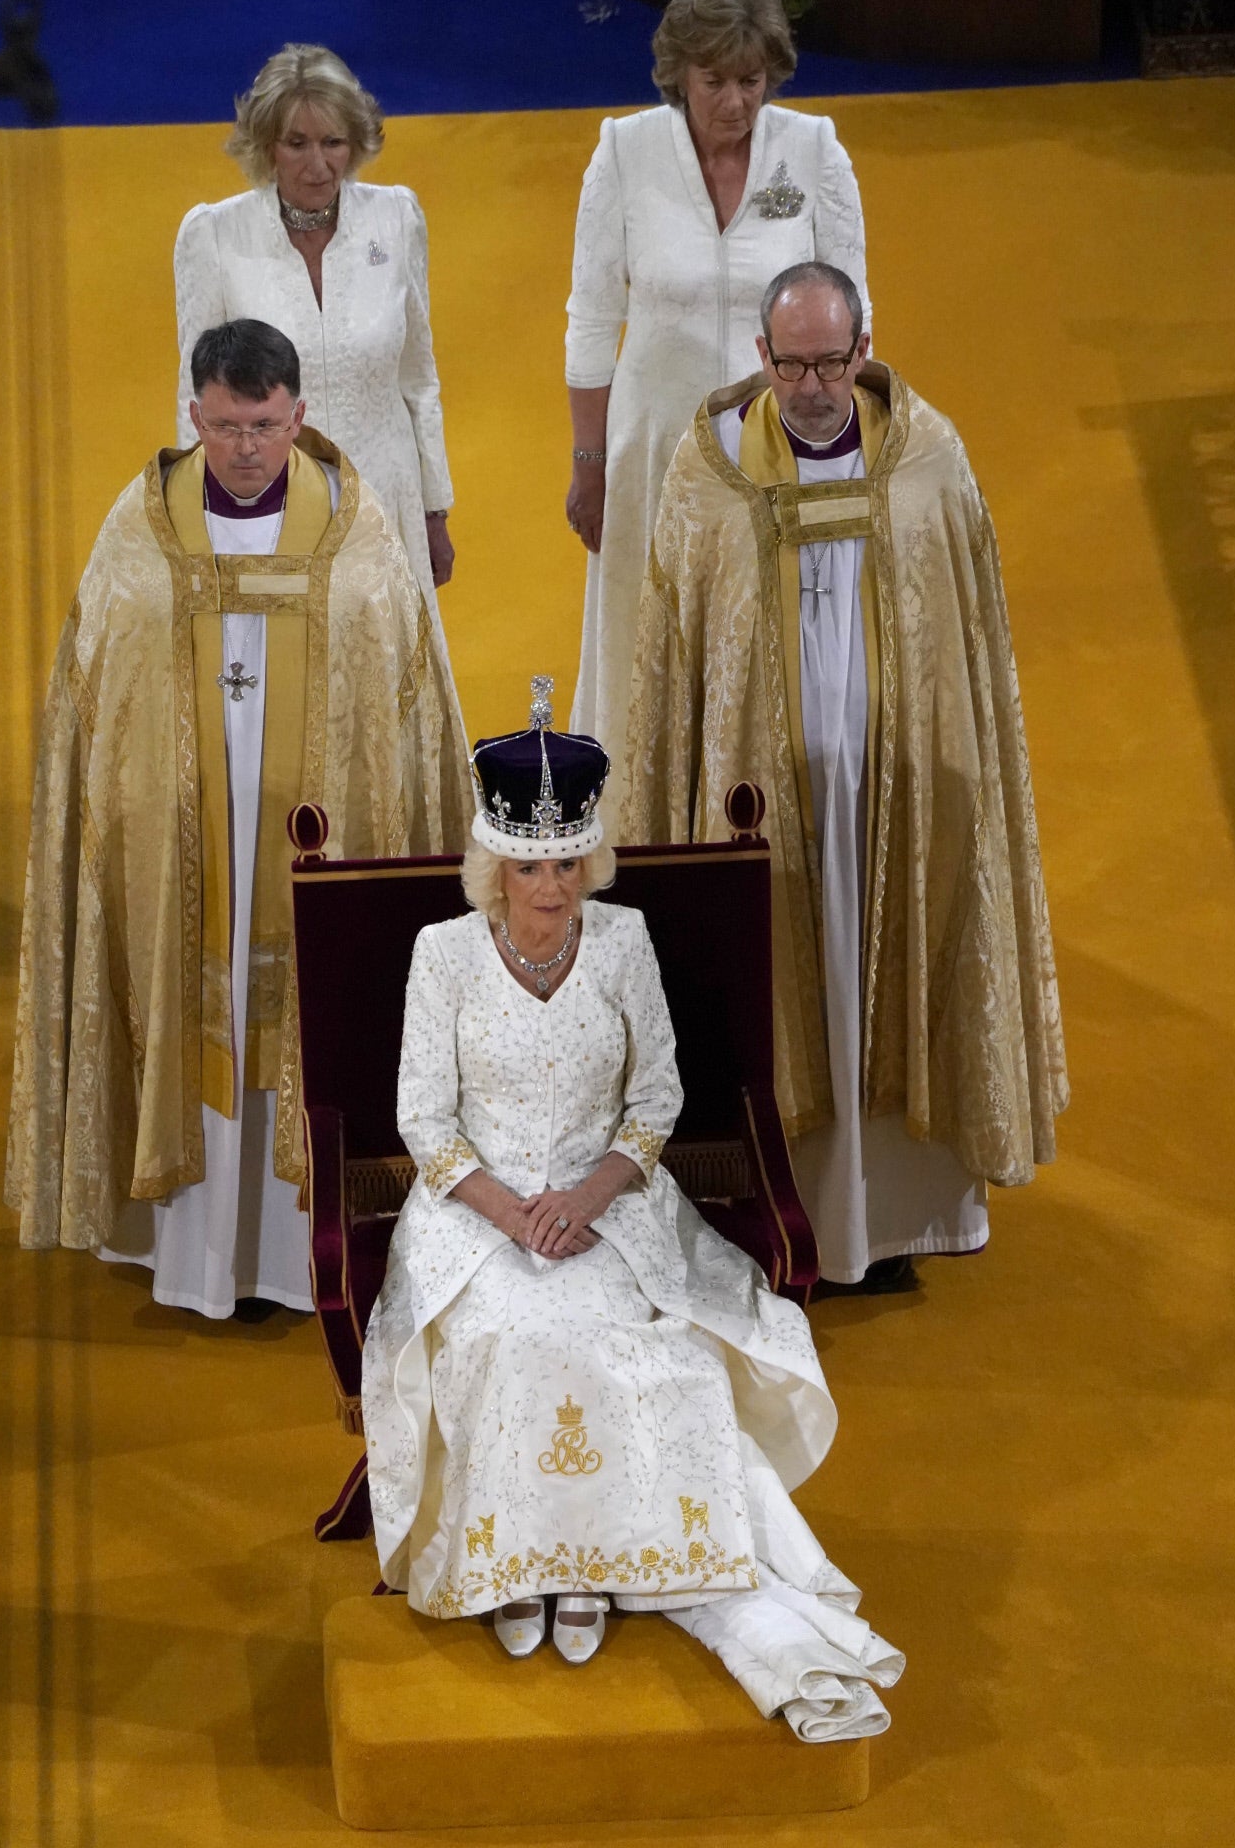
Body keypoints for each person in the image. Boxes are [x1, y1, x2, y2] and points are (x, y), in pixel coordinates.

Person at [361, 680, 903, 1733]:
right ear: (495, 866)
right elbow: (424, 1123)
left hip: (612, 1206)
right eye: (531, 865)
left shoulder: (623, 941)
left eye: (568, 862)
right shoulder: (444, 957)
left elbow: (657, 1095)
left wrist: (590, 1196)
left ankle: (591, 1570)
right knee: (508, 1338)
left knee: (643, 1344)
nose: (553, 887)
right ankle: (516, 1567)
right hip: (476, 1214)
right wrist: (518, 1216)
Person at [6, 319, 472, 1318]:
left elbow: (408, 710)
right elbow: (95, 706)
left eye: (265, 425)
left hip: (317, 842)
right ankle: (196, 1256)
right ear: (194, 416)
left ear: (298, 416)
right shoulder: (141, 534)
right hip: (182, 856)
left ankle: (309, 1245)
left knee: (309, 996)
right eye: (225, 427)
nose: (248, 448)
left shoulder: (359, 533)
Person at [622, 263, 1069, 1289]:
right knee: (777, 983)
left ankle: (896, 1226)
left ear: (864, 348)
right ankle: (783, 1220)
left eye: (832, 359)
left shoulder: (928, 462)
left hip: (900, 800)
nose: (814, 383)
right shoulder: (712, 475)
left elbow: (971, 645)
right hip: (763, 805)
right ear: (762, 357)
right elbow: (673, 666)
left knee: (889, 966)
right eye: (793, 363)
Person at [565, 0, 870, 827]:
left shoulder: (813, 151)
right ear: (678, 77)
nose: (735, 102)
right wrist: (589, 464)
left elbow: (854, 308)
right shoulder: (623, 151)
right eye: (714, 82)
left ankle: (773, 818)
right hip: (654, 445)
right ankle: (638, 825)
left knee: (774, 634)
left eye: (751, 80)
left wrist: (846, 451)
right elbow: (591, 321)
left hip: (786, 446)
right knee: (643, 636)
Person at [174, 44, 456, 594]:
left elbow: (418, 379)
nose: (318, 164)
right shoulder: (214, 236)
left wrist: (434, 510)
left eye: (333, 142)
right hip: (269, 510)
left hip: (387, 504)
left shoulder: (396, 218)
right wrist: (202, 523)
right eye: (296, 143)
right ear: (267, 147)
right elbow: (197, 395)